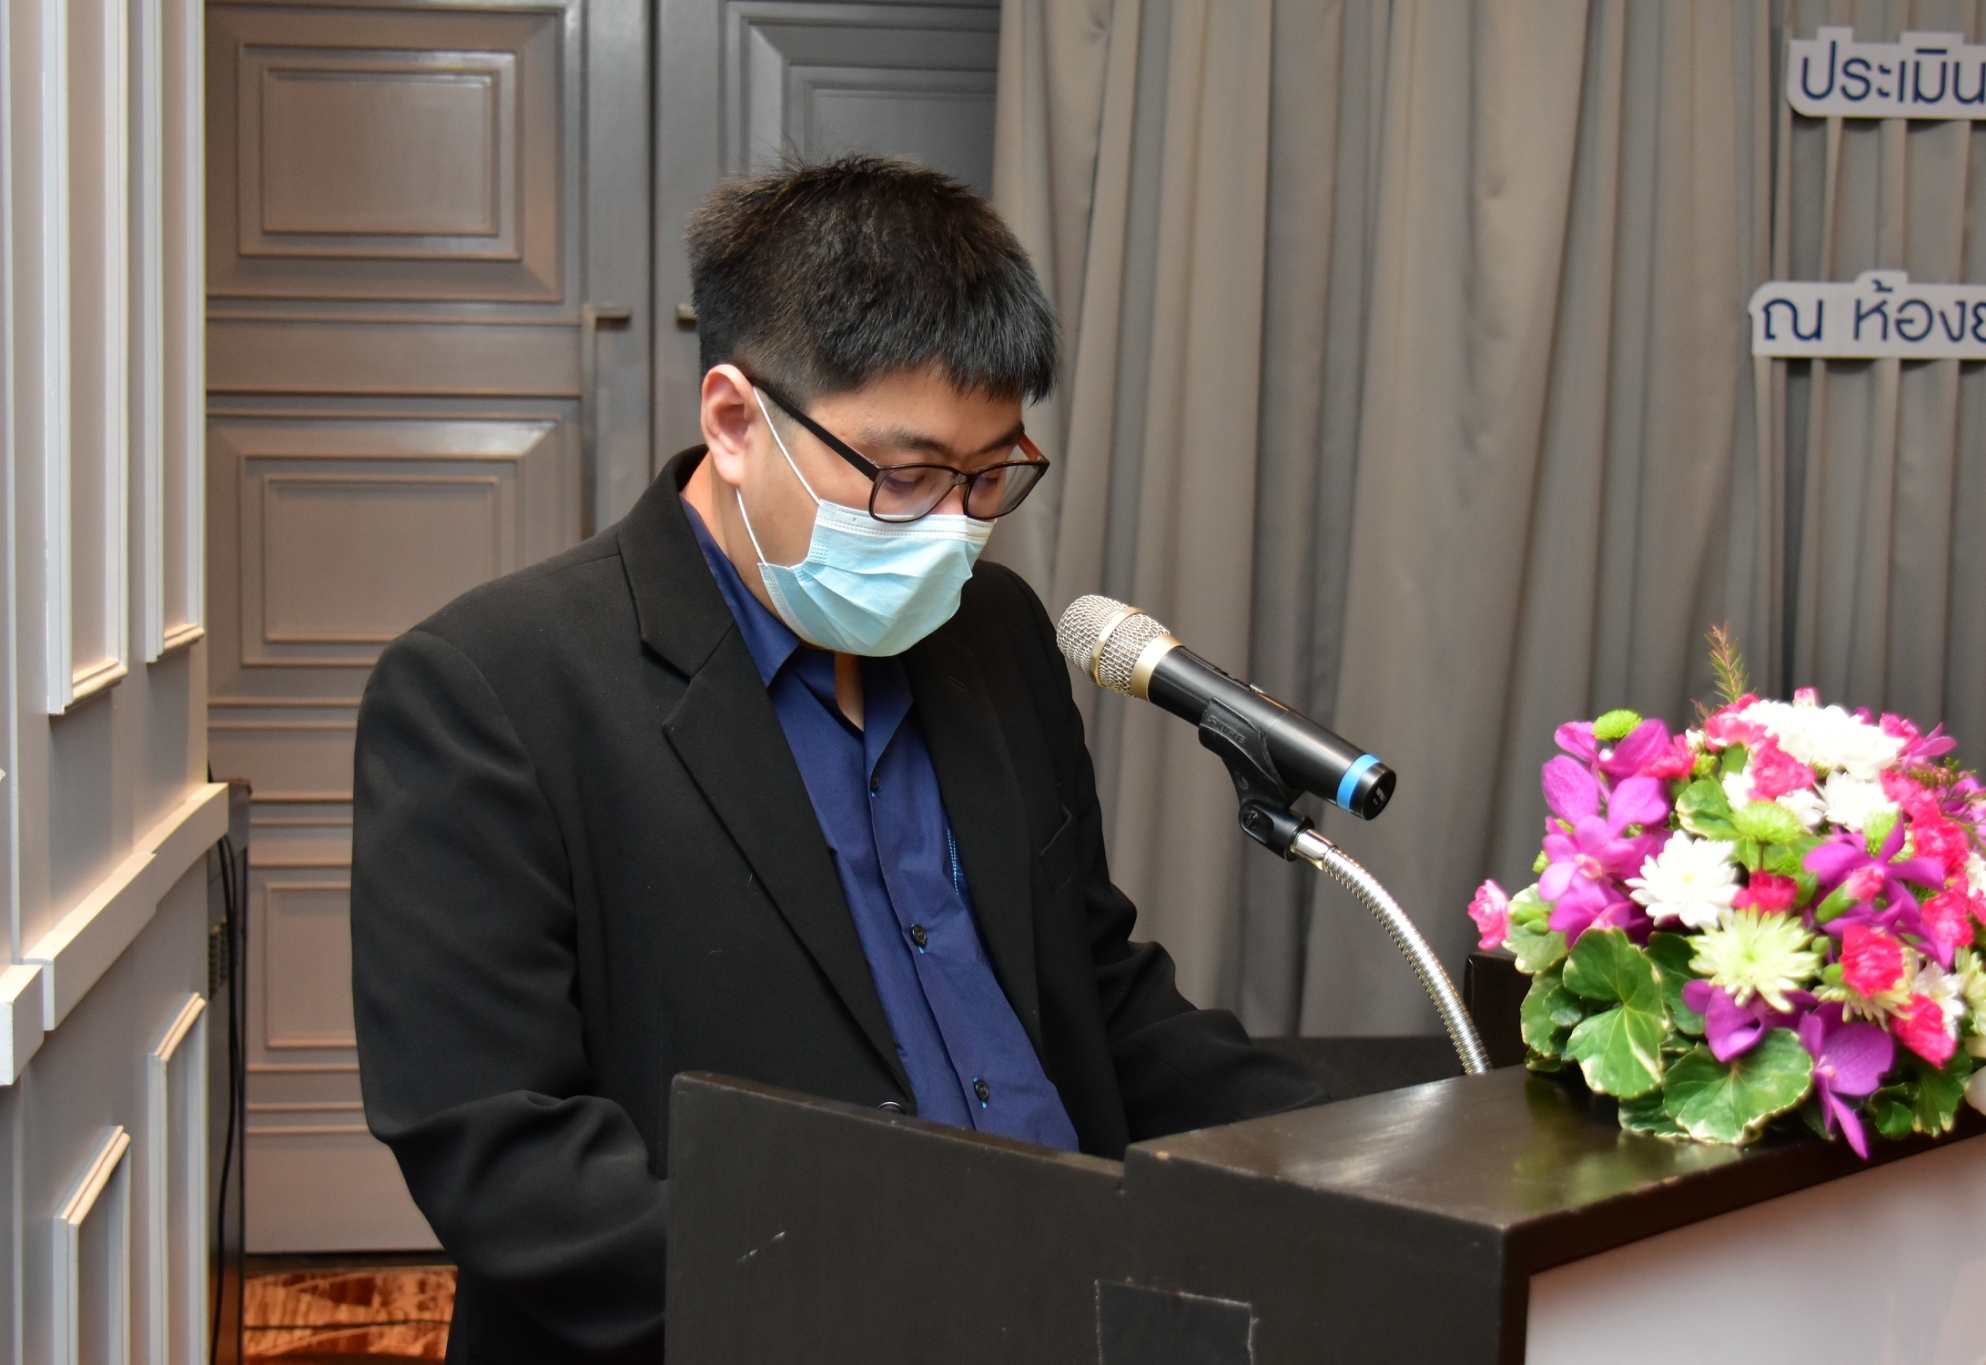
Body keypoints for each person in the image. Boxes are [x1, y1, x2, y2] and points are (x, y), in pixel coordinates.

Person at [350, 155, 1325, 1365]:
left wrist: (1356, 1156)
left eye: (988, 476)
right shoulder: (489, 689)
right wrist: (892, 1301)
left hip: (1070, 1297)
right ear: (733, 421)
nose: (951, 529)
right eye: (902, 477)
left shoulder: (994, 634)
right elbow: (505, 1159)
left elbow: (1091, 987)